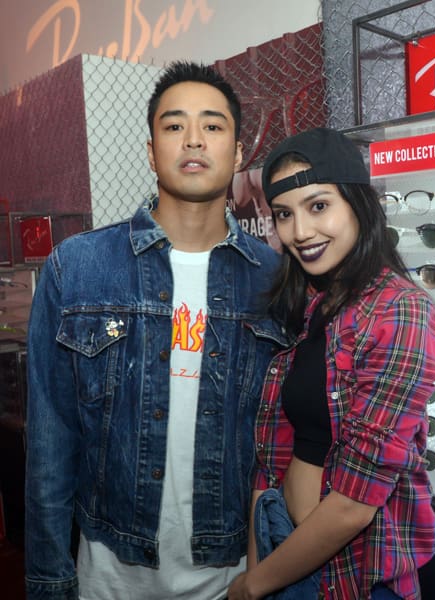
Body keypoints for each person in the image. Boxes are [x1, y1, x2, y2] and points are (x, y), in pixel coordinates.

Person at [24, 60, 287, 600]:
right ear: (150, 151)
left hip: (231, 577)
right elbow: (50, 444)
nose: (194, 139)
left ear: (239, 152)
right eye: (174, 125)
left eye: (212, 125)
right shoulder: (77, 268)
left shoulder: (277, 280)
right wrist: (49, 581)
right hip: (109, 578)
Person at [228, 127, 435, 600]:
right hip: (281, 551)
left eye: (318, 206)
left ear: (357, 203)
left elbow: (354, 504)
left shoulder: (402, 312)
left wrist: (251, 586)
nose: (300, 232)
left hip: (353, 577)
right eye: (284, 214)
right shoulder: (311, 304)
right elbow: (271, 458)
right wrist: (259, 566)